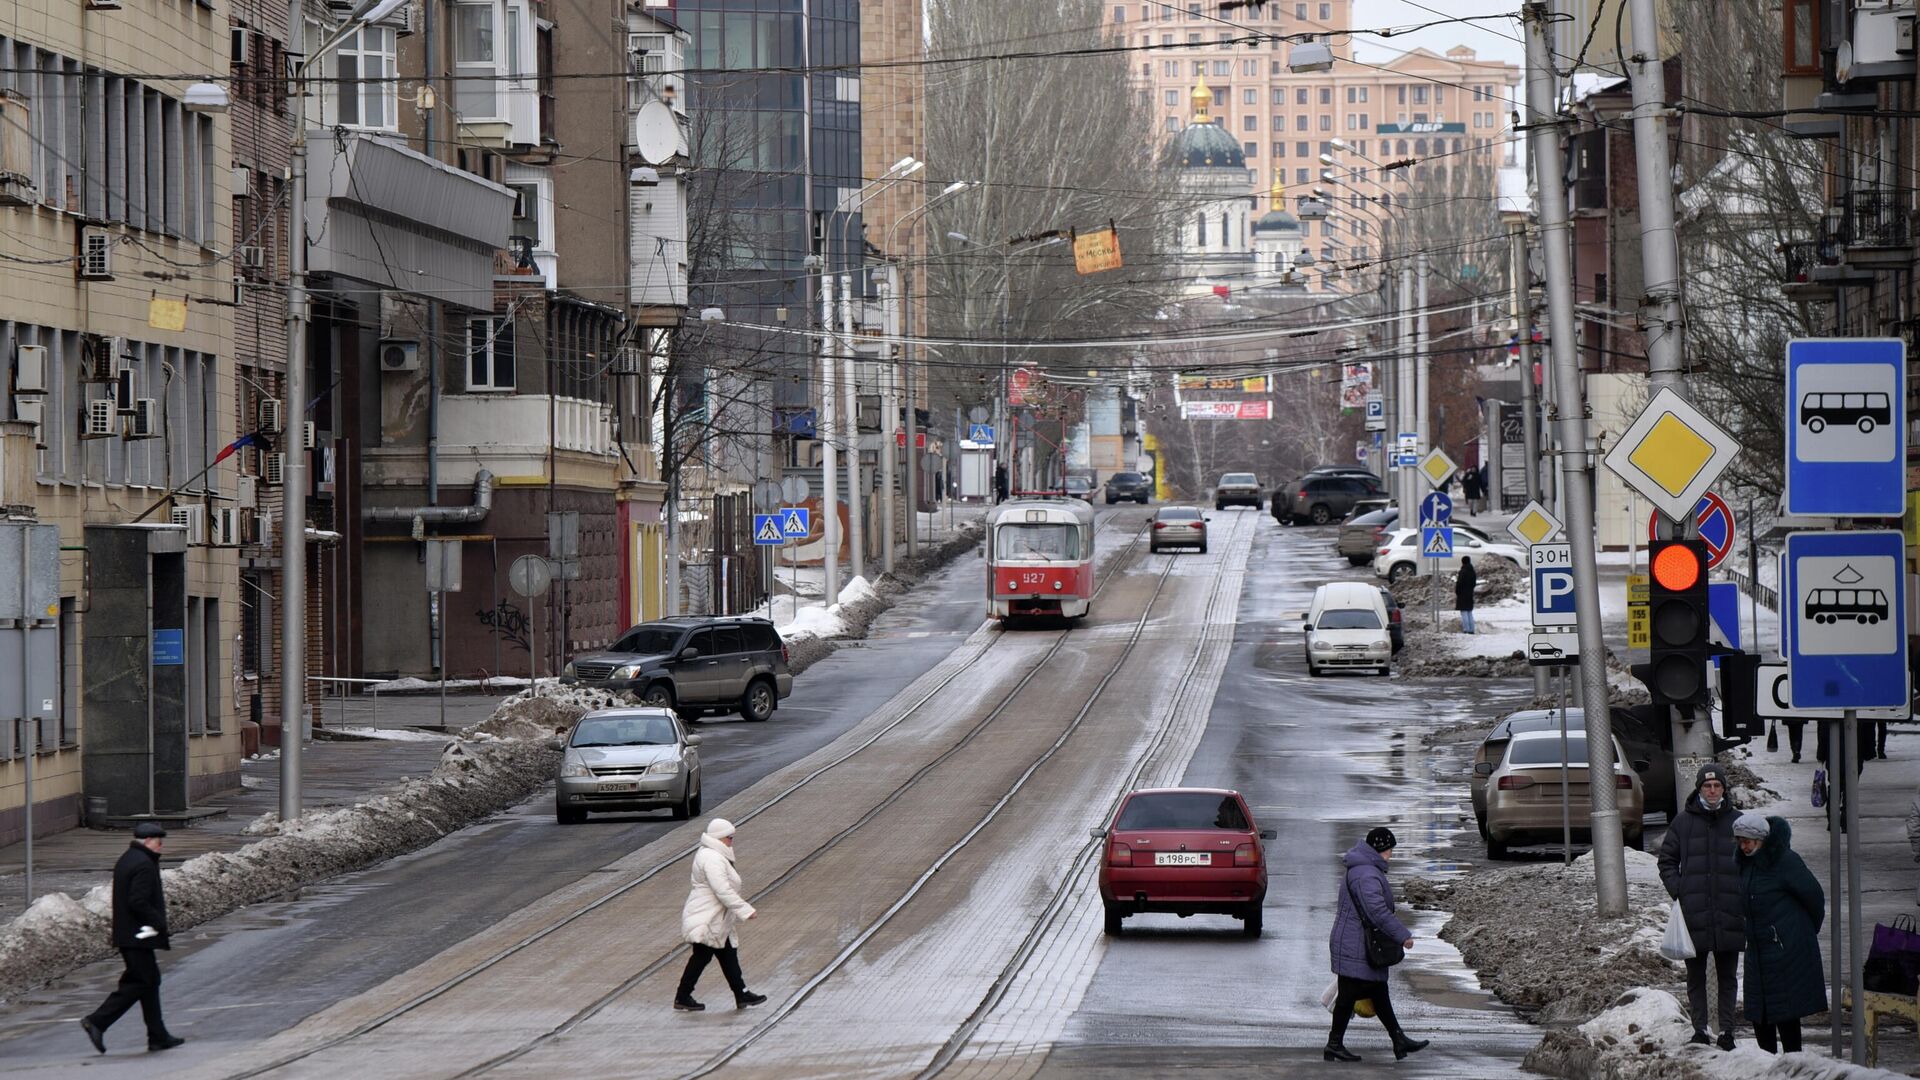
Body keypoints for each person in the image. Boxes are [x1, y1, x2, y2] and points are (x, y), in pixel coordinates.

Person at [1658, 764, 1746, 1049]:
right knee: (1695, 976)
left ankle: (1727, 1032)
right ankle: (1700, 1029)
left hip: (1729, 910)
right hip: (1693, 911)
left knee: (1728, 976)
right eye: (1706, 786)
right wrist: (1680, 890)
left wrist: (1743, 892)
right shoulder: (1683, 823)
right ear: (1699, 789)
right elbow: (1667, 861)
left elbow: (1752, 861)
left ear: (1724, 789)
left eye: (1717, 786)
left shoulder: (1738, 822)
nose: (1711, 791)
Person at [1324, 827, 1429, 1063]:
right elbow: (1377, 911)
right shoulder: (1366, 874)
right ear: (1381, 849)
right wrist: (1403, 936)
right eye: (1390, 849)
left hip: (1356, 941)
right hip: (1356, 943)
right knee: (1349, 995)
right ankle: (1334, 1044)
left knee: (1377, 991)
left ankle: (1398, 1039)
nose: (1391, 854)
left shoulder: (1364, 869)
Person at [80, 822, 184, 1054]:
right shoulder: (144, 864)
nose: (161, 846)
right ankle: (97, 1021)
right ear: (148, 841)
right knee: (140, 982)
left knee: (149, 981)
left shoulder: (129, 858)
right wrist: (158, 921)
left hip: (129, 934)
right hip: (137, 935)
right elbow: (138, 901)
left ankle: (158, 1036)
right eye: (159, 842)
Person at [1734, 812, 1825, 1054]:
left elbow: (1814, 897)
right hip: (1757, 949)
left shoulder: (1785, 861)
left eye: (1748, 841)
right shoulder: (1744, 864)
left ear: (1761, 839)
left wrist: (1800, 933)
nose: (1743, 846)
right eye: (1739, 840)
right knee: (1759, 1013)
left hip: (1785, 950)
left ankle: (1793, 1066)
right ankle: (1768, 1067)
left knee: (1786, 1012)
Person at [676, 818, 767, 1012]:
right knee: (702, 956)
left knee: (727, 954)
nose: (731, 842)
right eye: (729, 837)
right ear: (719, 837)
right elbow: (722, 889)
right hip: (707, 917)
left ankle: (741, 993)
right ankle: (683, 996)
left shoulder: (713, 854)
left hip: (716, 917)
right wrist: (745, 910)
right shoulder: (712, 858)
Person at [1455, 556, 1477, 634]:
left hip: (1462, 594)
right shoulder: (1472, 571)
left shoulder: (1463, 571)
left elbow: (1459, 583)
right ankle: (1472, 629)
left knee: (1464, 612)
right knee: (1469, 612)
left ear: (1462, 562)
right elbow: (1474, 583)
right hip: (1470, 594)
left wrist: (1457, 591)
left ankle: (1466, 629)